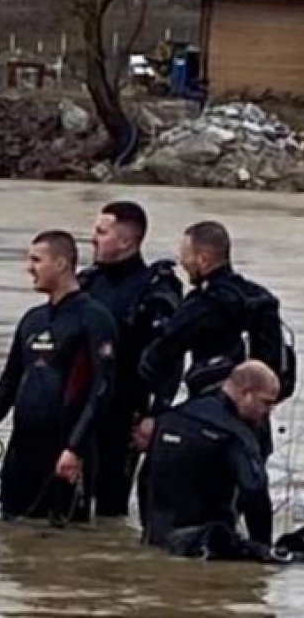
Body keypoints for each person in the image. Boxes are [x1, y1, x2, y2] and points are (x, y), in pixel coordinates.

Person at [138, 221, 293, 544]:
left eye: (187, 257)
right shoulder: (262, 300)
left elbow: (157, 358)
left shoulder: (204, 304)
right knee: (244, 497)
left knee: (189, 509)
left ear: (204, 258)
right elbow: (281, 372)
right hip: (256, 419)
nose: (183, 264)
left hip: (204, 423)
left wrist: (158, 412)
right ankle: (254, 568)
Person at [0, 230, 117, 523]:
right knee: (12, 539)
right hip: (22, 451)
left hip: (66, 454)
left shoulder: (94, 318)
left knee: (61, 548)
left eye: (36, 260)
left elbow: (103, 388)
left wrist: (75, 448)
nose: (29, 268)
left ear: (60, 264)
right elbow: (7, 384)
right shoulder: (32, 320)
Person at [79, 201, 181, 517]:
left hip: (124, 412)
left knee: (110, 505)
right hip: (79, 408)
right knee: (67, 503)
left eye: (101, 231)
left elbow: (170, 356)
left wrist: (156, 414)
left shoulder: (155, 289)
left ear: (126, 241)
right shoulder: (87, 282)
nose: (92, 238)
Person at [143, 360, 280, 550]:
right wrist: (264, 550)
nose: (268, 412)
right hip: (206, 546)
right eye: (267, 403)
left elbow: (146, 478)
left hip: (158, 540)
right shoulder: (236, 433)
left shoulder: (171, 419)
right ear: (246, 394)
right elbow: (255, 494)